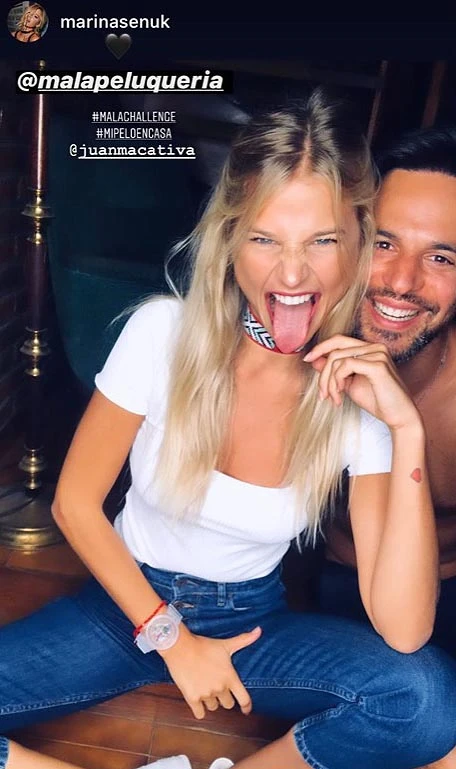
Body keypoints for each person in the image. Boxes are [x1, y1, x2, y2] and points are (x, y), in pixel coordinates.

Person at [1, 90, 456, 769]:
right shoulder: (162, 331)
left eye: (322, 240)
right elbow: (74, 505)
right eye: (265, 238)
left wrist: (403, 428)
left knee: (426, 700)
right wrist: (172, 640)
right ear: (230, 241)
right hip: (124, 604)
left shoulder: (358, 396)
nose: (292, 272)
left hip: (250, 625)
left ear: (357, 242)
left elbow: (406, 629)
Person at [319, 126, 456, 668]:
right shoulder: (290, 347)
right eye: (383, 243)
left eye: (441, 258)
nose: (401, 282)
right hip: (311, 587)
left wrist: (407, 429)